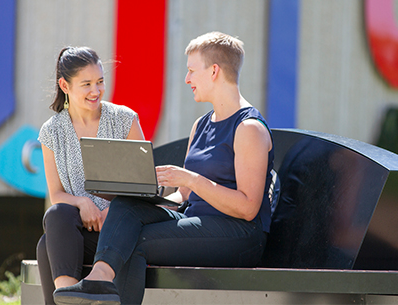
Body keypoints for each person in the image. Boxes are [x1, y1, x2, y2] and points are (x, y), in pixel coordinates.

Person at [53, 31, 275, 305]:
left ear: (214, 71)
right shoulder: (201, 125)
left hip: (239, 235)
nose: (187, 79)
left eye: (192, 71)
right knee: (127, 205)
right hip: (194, 221)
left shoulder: (248, 128)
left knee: (137, 241)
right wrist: (145, 197)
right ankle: (99, 280)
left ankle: (100, 282)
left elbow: (248, 208)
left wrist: (193, 180)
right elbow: (182, 197)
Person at [36, 46, 145, 305]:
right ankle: (68, 296)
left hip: (122, 227)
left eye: (100, 82)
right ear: (65, 85)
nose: (95, 91)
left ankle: (67, 299)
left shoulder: (125, 119)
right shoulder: (51, 131)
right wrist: (83, 203)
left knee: (44, 246)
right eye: (86, 84)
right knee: (57, 213)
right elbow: (57, 194)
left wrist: (115, 211)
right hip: (82, 228)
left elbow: (142, 185)